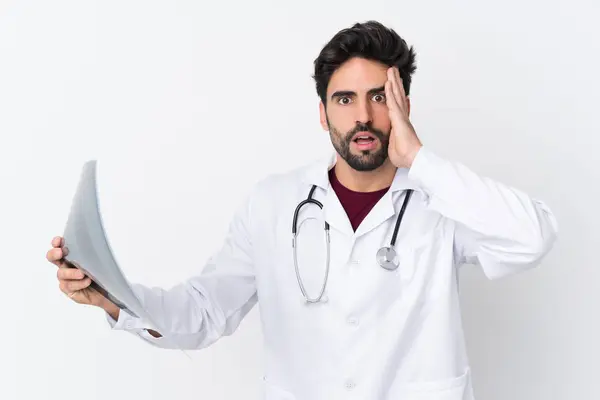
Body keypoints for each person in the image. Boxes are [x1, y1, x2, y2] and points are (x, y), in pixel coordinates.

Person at [46, 20, 558, 400]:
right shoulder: (273, 204)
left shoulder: (442, 198)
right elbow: (203, 314)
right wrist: (115, 302)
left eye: (379, 96)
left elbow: (532, 238)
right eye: (344, 99)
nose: (362, 115)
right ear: (322, 112)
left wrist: (419, 160)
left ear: (403, 105)